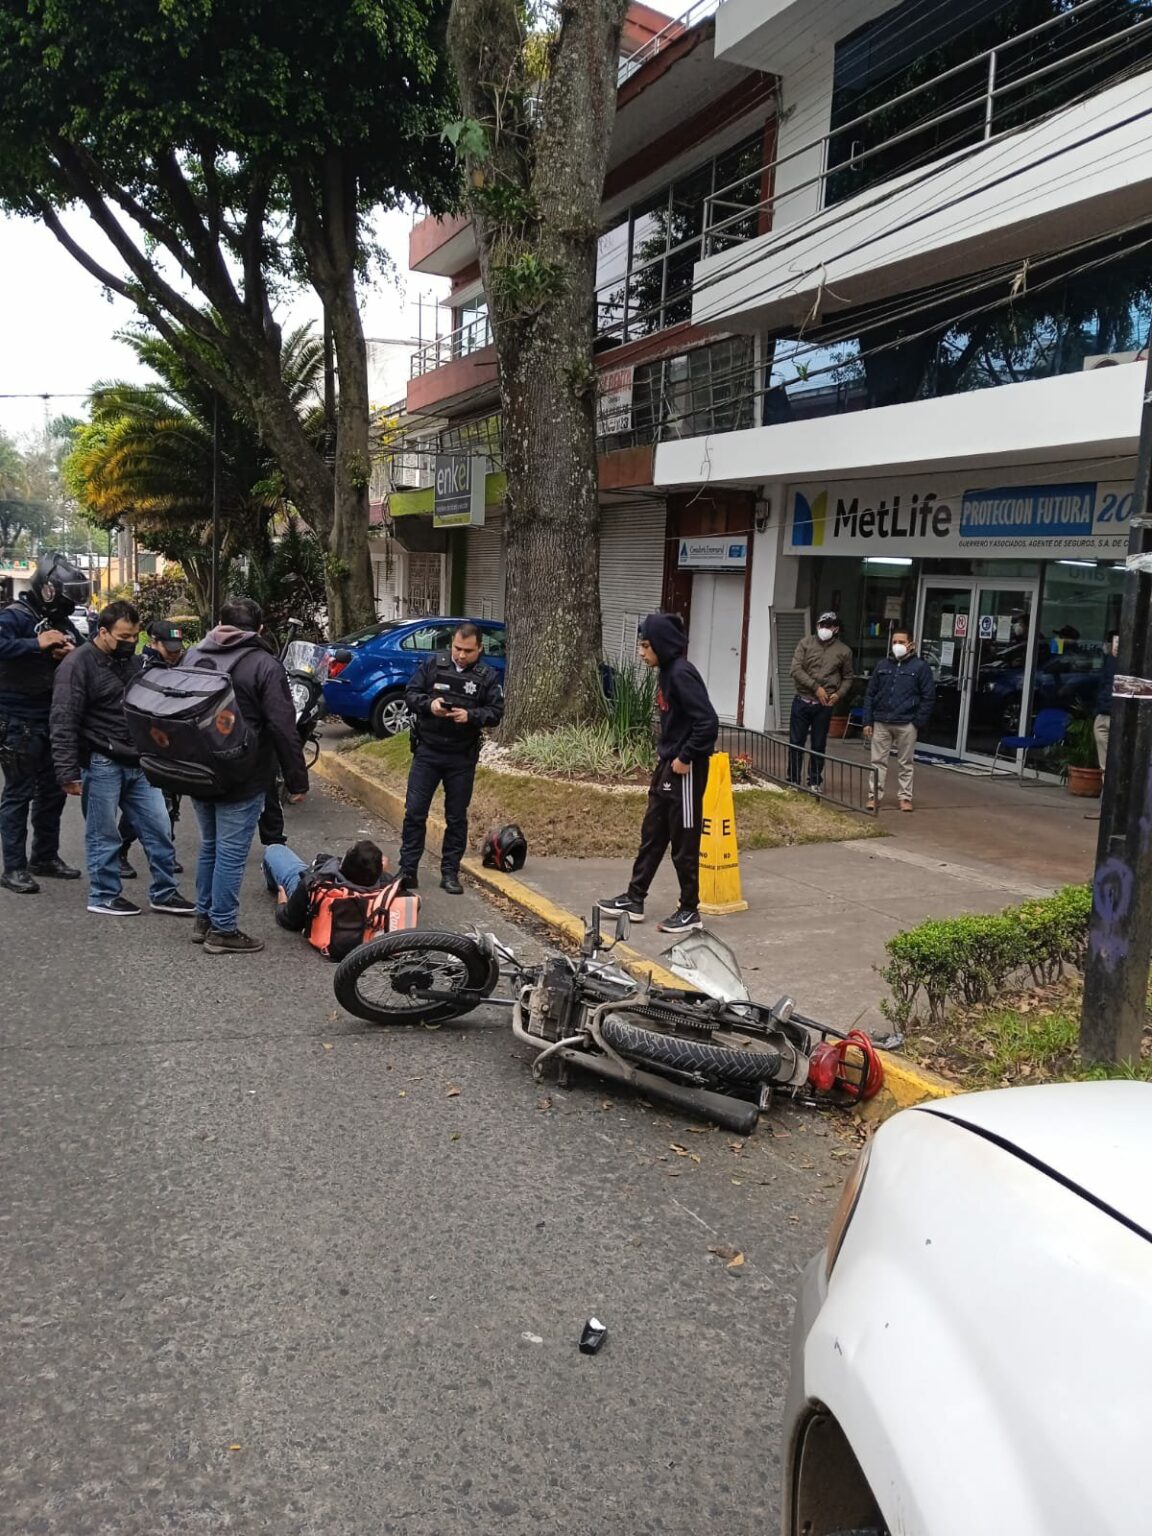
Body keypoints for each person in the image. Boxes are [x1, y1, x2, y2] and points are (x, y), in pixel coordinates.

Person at [50, 599, 195, 918]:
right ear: (103, 632)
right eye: (124, 637)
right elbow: (63, 720)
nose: (131, 643)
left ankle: (165, 892)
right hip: (102, 763)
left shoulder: (133, 663)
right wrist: (67, 772)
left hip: (139, 762)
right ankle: (103, 894)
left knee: (159, 828)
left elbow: (146, 708)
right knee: (103, 834)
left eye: (135, 637)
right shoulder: (77, 665)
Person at [183, 598, 309, 954]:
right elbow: (284, 727)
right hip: (243, 773)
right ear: (260, 630)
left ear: (219, 623)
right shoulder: (263, 664)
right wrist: (297, 780)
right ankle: (223, 928)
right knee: (231, 853)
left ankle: (203, 919)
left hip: (196, 768)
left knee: (211, 845)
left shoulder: (194, 655)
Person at [599, 612, 719, 934]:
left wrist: (686, 756)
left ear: (662, 645)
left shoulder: (681, 673)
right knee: (652, 834)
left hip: (687, 769)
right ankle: (634, 898)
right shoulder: (666, 671)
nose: (641, 652)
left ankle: (690, 910)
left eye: (645, 646)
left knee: (683, 842)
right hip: (668, 765)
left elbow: (708, 722)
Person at [0, 552, 88, 894]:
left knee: (52, 792)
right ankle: (14, 867)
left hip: (52, 721)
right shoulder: (14, 617)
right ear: (49, 589)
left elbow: (83, 651)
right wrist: (35, 643)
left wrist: (68, 652)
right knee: (18, 794)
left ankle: (44, 857)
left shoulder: (61, 623)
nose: (70, 606)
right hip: (16, 720)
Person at [399, 622, 504, 894]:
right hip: (428, 751)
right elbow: (411, 694)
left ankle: (450, 873)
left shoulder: (487, 676)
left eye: (468, 651)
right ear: (451, 645)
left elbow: (495, 712)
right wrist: (429, 705)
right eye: (457, 648)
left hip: (461, 756)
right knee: (415, 812)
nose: (461, 655)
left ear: (479, 649)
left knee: (456, 817)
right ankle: (408, 870)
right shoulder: (434, 665)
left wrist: (471, 716)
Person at [119, 619, 187, 879]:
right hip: (147, 747)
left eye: (176, 648)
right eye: (168, 648)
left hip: (173, 745)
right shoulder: (140, 667)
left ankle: (164, 854)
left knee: (170, 804)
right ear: (152, 643)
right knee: (146, 805)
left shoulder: (180, 666)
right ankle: (120, 852)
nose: (173, 653)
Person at [862, 628, 936, 813]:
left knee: (906, 763)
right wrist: (867, 721)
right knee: (877, 761)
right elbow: (870, 694)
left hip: (906, 722)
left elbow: (928, 697)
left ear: (911, 644)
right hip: (881, 720)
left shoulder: (920, 667)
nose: (897, 646)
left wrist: (917, 722)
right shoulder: (882, 665)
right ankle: (874, 796)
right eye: (895, 642)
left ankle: (905, 798)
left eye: (901, 642)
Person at [263, 837, 388, 935]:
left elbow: (289, 921)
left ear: (342, 864)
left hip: (308, 890)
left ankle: (274, 886)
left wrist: (282, 904)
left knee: (274, 849)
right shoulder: (387, 883)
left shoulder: (315, 882)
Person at [788, 611, 854, 793]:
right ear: (817, 626)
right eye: (822, 625)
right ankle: (793, 780)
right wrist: (816, 687)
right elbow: (795, 669)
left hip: (824, 706)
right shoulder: (805, 643)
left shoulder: (844, 651)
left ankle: (814, 781)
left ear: (836, 629)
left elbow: (848, 677)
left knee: (818, 744)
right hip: (802, 700)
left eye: (829, 626)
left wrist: (839, 694)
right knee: (796, 742)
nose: (824, 629)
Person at [1094, 631, 1118, 772]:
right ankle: (1107, 791)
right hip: (1103, 714)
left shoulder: (1132, 662)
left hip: (1117, 716)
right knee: (1105, 765)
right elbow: (1103, 685)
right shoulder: (1109, 660)